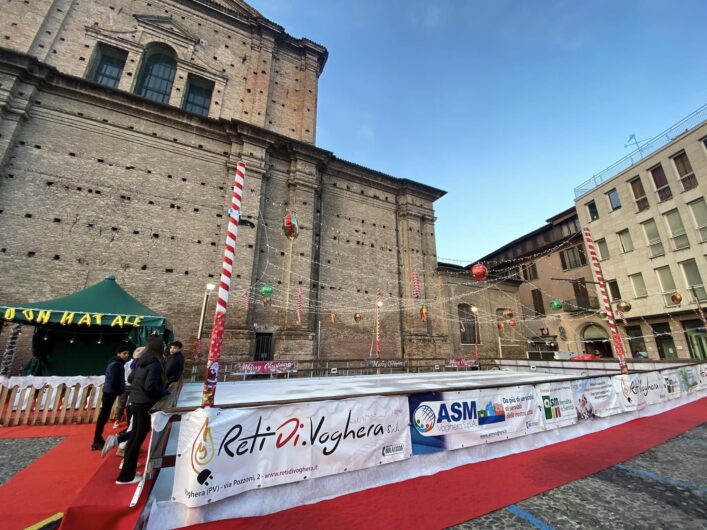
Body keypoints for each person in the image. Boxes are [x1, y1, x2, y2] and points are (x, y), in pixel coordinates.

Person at [115, 335, 170, 485]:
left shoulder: (144, 360)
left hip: (136, 401)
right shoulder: (155, 363)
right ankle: (126, 476)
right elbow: (149, 386)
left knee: (136, 436)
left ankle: (126, 469)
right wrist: (163, 391)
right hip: (144, 403)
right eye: (163, 345)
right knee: (137, 437)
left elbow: (132, 378)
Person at [91, 346, 130, 450]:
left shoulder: (115, 363)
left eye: (127, 353)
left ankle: (98, 438)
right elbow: (114, 380)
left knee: (104, 415)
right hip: (110, 392)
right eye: (124, 353)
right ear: (119, 354)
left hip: (109, 391)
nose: (126, 355)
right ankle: (96, 440)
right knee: (103, 415)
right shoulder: (117, 364)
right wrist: (119, 390)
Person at [114, 346, 144, 428]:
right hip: (126, 385)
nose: (127, 355)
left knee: (130, 404)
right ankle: (117, 419)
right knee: (122, 403)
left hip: (135, 386)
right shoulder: (127, 364)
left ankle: (130, 421)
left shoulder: (141, 364)